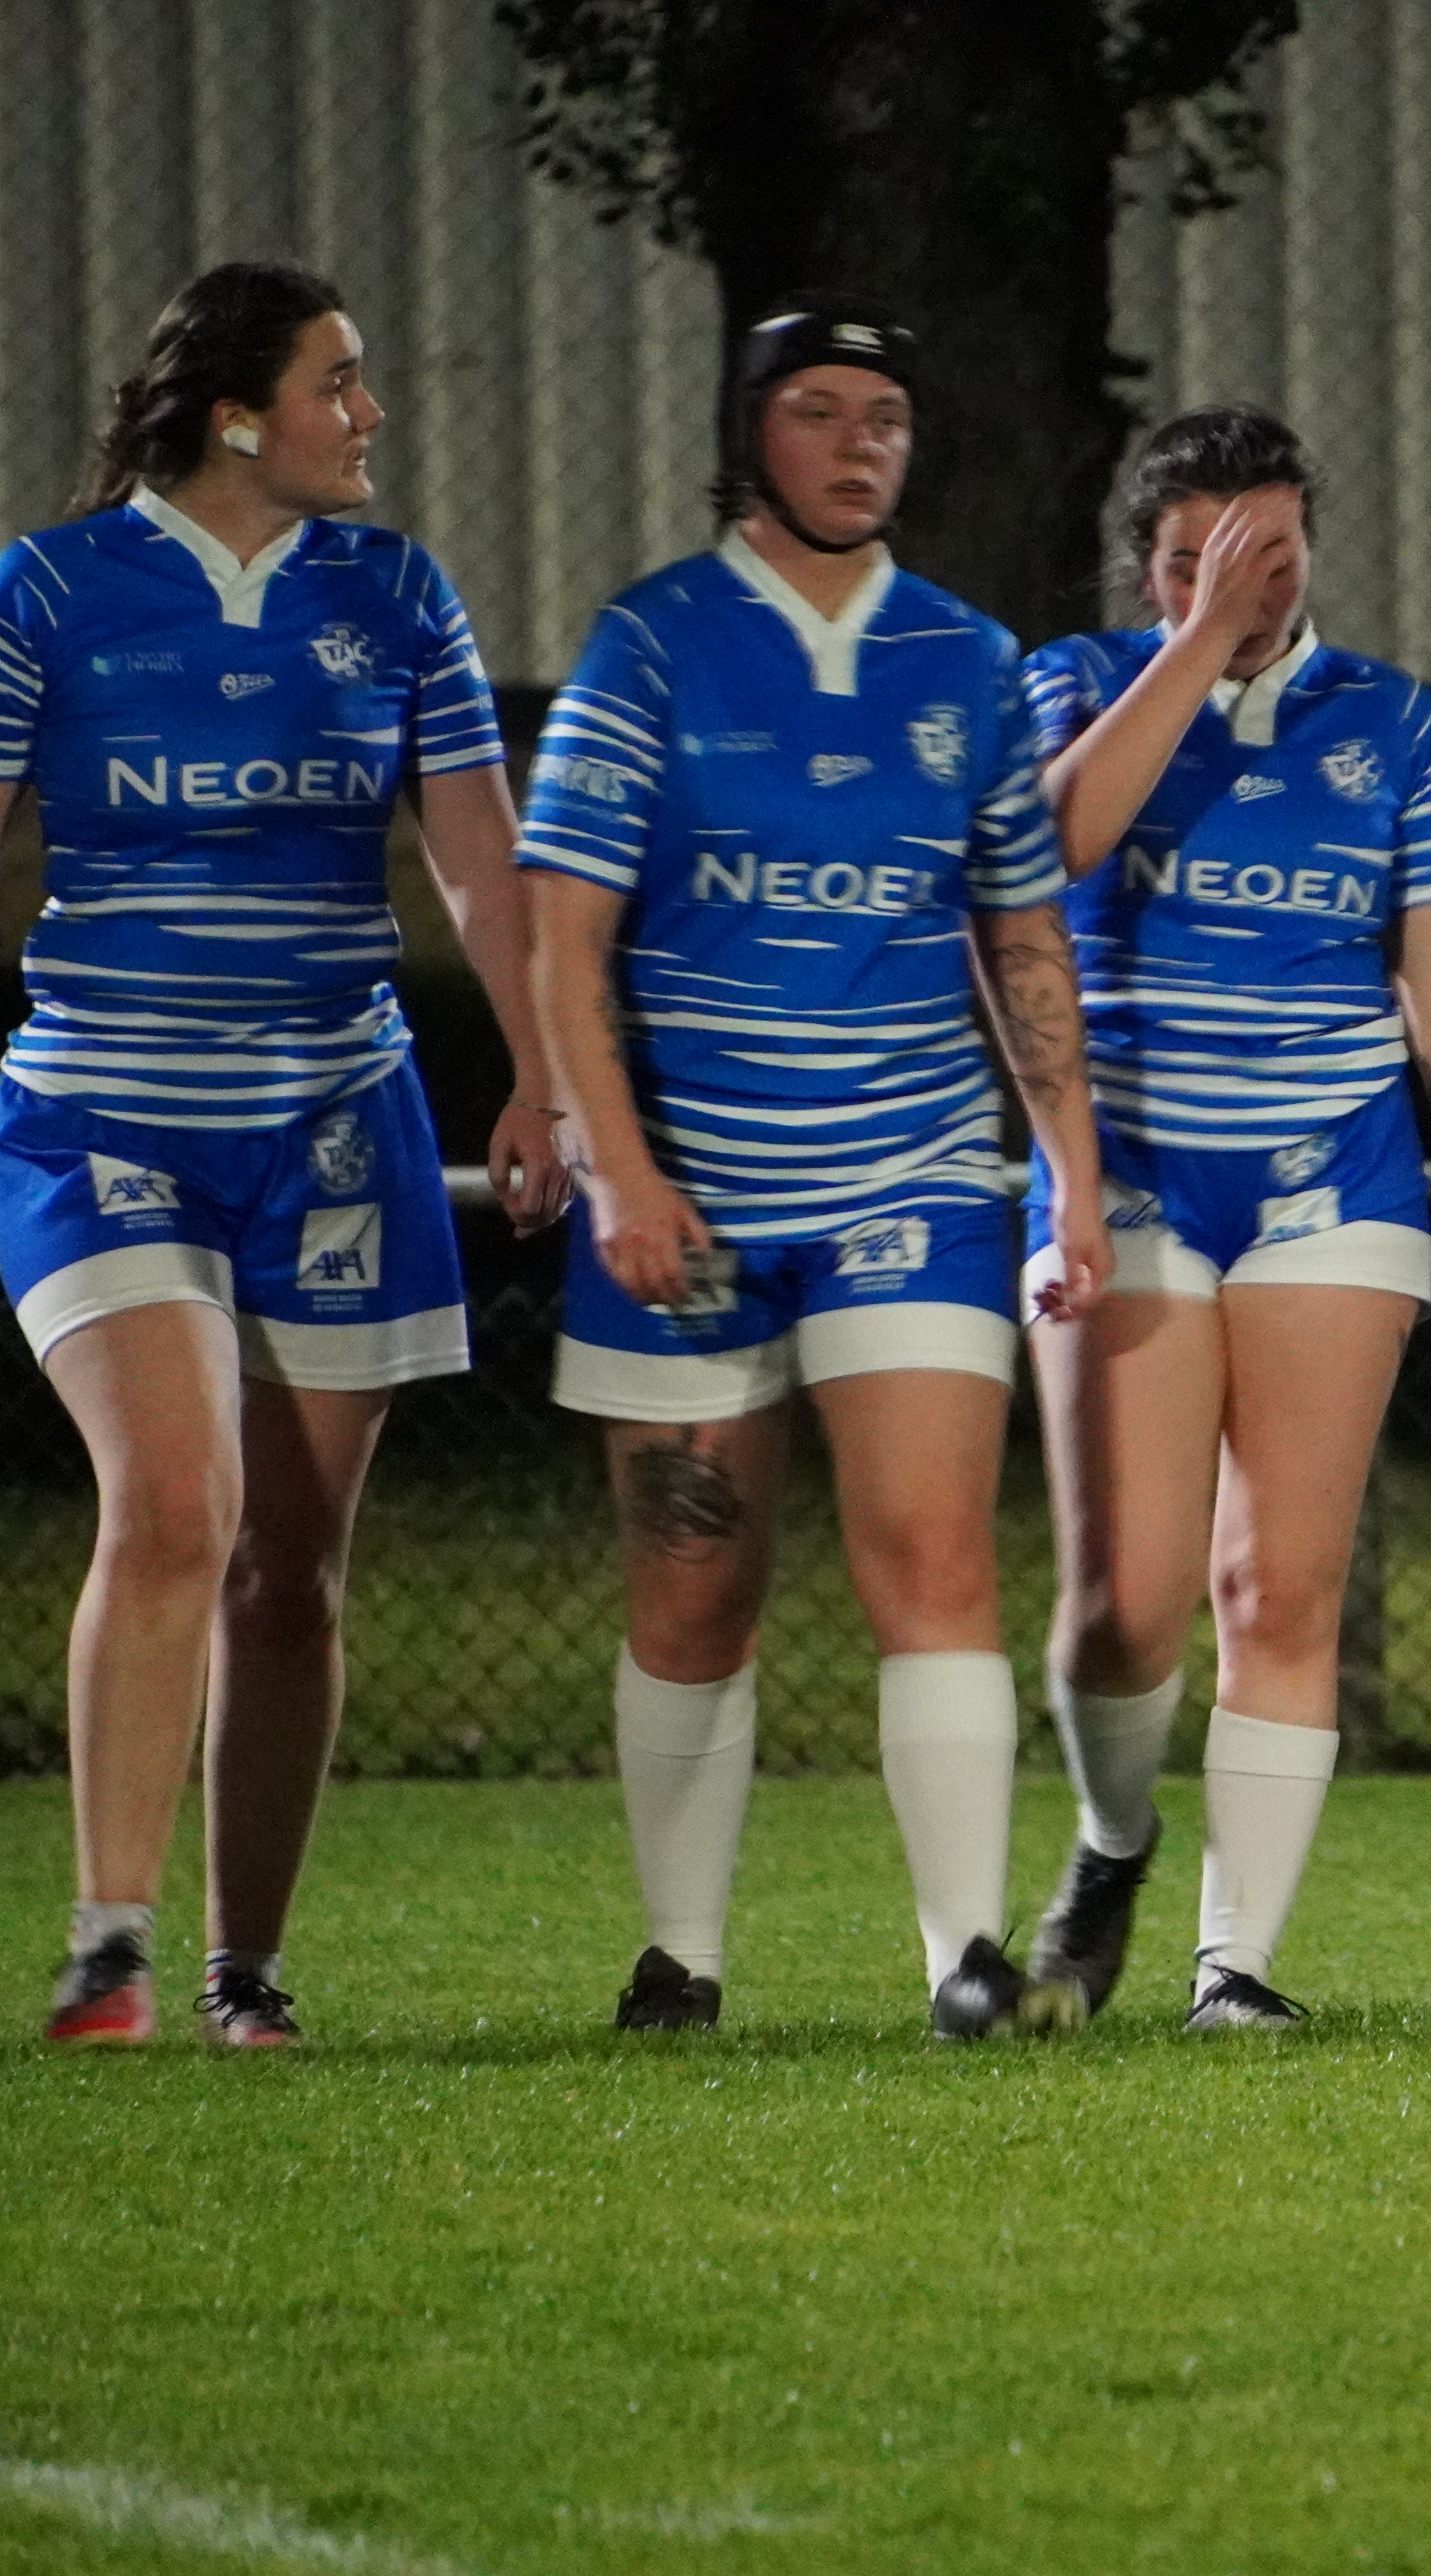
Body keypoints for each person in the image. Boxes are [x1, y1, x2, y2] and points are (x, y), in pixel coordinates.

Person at [0, 263, 565, 2047]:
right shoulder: (48, 591)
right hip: (101, 1115)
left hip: (338, 1123)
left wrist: (544, 1073)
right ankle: (109, 1945)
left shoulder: (397, 595)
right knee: (179, 1503)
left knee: (292, 1566)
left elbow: (482, 863)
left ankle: (247, 1967)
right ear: (239, 410)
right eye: (343, 380)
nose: (372, 414)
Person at [522, 299, 1110, 2043]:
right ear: (750, 434)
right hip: (688, 1206)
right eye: (820, 410)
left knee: (933, 1555)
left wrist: (1068, 1171)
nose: (860, 442)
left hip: (913, 1178)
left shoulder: (971, 660)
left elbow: (1022, 936)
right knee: (693, 1589)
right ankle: (680, 1955)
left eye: (888, 417)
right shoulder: (651, 646)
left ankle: (965, 1956)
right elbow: (565, 944)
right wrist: (618, 1170)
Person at [1009, 407, 1431, 2035]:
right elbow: (1042, 849)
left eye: (1270, 555)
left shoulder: (1389, 718)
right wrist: (1193, 644)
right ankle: (1113, 1840)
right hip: (1134, 1184)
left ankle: (1232, 1964)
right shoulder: (1081, 677)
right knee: (1128, 1601)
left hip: (1335, 1181)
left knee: (1279, 1590)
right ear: (1147, 566)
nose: (1241, 582)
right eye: (1196, 557)